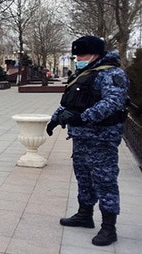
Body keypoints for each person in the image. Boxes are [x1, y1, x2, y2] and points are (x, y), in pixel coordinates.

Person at [47, 36, 129, 247]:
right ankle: (85, 215)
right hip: (81, 137)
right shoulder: (83, 74)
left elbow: (113, 102)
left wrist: (82, 118)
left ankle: (109, 228)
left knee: (105, 181)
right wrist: (55, 118)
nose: (78, 59)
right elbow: (70, 102)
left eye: (81, 55)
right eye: (76, 55)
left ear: (95, 54)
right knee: (84, 178)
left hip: (102, 138)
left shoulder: (112, 74)